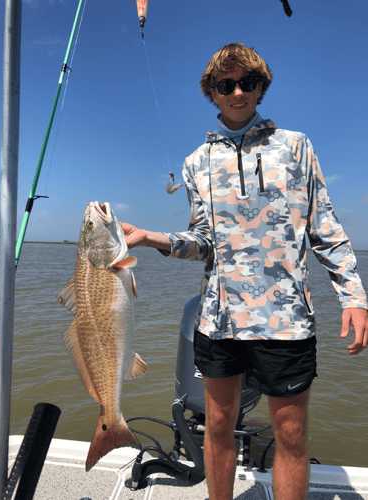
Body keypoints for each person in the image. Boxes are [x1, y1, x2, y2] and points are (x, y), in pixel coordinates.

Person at [120, 42, 368, 500]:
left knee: (291, 434)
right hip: (219, 320)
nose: (237, 93)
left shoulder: (296, 145)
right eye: (225, 84)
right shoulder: (196, 162)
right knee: (217, 426)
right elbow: (203, 243)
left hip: (287, 320)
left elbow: (326, 227)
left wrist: (353, 296)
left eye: (247, 83)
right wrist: (152, 238)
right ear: (212, 92)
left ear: (261, 87)